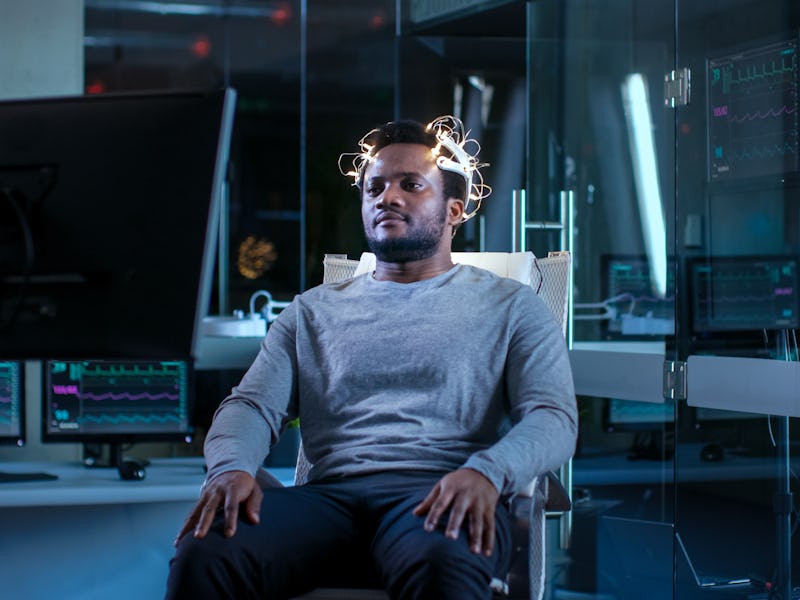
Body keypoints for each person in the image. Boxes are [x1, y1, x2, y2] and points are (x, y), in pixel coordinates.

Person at [166, 115, 577, 600]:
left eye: (410, 185)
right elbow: (251, 406)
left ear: (454, 210)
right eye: (375, 188)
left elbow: (553, 417)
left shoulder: (510, 306)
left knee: (441, 560)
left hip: (439, 497)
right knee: (207, 548)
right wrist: (232, 468)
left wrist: (487, 472)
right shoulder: (312, 311)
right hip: (328, 502)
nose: (387, 198)